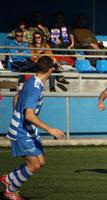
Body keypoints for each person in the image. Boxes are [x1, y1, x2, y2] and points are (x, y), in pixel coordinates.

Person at [0, 56, 65, 200]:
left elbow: (16, 97)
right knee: (34, 164)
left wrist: (16, 115)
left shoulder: (31, 80)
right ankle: (10, 191)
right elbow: (29, 115)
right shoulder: (36, 88)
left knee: (41, 162)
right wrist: (49, 129)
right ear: (50, 71)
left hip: (27, 130)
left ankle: (8, 178)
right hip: (21, 131)